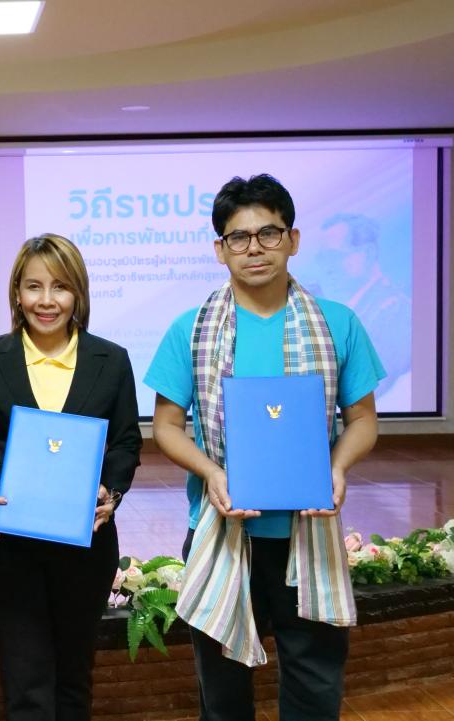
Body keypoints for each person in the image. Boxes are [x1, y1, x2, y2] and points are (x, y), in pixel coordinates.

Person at [144, 175, 384, 721]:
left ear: (292, 240)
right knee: (223, 694)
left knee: (315, 684)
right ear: (220, 249)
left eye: (269, 233)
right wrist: (211, 472)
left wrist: (337, 467)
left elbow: (363, 420)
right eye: (239, 237)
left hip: (309, 530)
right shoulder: (191, 329)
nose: (254, 248)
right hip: (222, 531)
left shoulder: (338, 323)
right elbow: (167, 426)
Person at [0, 233, 142, 721]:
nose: (46, 300)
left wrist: (111, 490)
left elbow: (126, 443)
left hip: (85, 542)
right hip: (8, 545)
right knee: (26, 683)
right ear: (17, 293)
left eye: (60, 287)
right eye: (33, 286)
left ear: (78, 293)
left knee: (74, 679)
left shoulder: (112, 359)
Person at [316, 213, 411, 400]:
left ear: (368, 253)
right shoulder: (345, 309)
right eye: (322, 258)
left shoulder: (395, 311)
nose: (327, 268)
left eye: (335, 256)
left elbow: (372, 388)